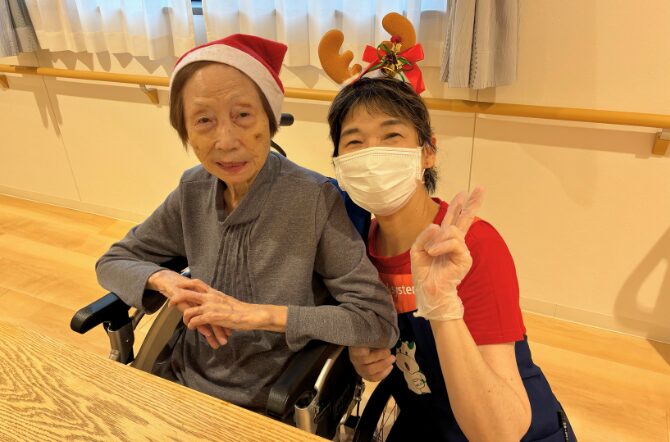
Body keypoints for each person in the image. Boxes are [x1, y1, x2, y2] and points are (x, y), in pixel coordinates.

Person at [95, 34, 399, 411]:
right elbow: (112, 261)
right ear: (186, 132)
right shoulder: (193, 190)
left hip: (269, 401)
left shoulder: (313, 199)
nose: (226, 141)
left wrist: (257, 315)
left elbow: (375, 318)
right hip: (180, 381)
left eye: (242, 115)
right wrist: (165, 280)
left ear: (270, 119)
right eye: (204, 120)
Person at [327, 76, 576, 441]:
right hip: (423, 419)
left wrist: (442, 304)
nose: (372, 156)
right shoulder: (355, 245)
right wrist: (361, 354)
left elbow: (500, 433)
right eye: (354, 142)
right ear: (339, 164)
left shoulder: (471, 246)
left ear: (428, 152)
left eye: (391, 136)